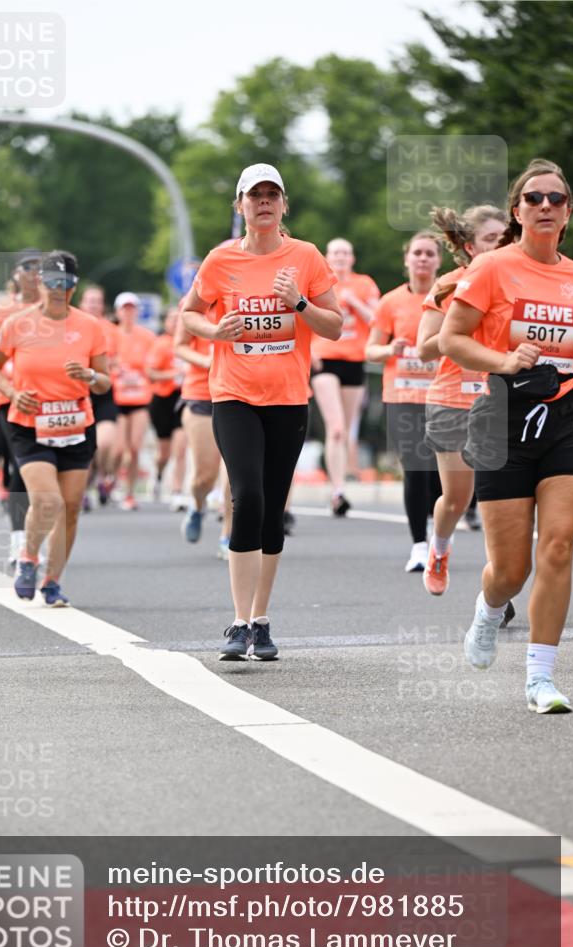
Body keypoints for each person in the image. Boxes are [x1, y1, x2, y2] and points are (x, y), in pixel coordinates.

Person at [182, 163, 342, 660]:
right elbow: (188, 313)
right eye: (255, 196)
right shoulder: (220, 260)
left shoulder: (306, 257)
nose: (265, 203)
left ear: (284, 204)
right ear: (241, 206)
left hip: (289, 400)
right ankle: (236, 622)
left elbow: (334, 326)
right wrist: (213, 332)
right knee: (246, 497)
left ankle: (261, 619)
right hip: (232, 395)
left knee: (273, 510)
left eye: (273, 195)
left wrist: (298, 304)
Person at [439, 159, 573, 713]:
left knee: (560, 542)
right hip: (501, 420)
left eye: (557, 199)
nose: (545, 206)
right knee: (511, 569)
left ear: (567, 213)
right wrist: (505, 359)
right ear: (518, 212)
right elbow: (452, 338)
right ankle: (489, 608)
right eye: (534, 199)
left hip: (567, 420)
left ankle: (541, 678)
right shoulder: (494, 268)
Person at [0, 250, 111, 607]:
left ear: (74, 285)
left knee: (70, 507)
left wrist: (89, 376)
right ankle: (28, 558)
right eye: (53, 283)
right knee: (48, 500)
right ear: (40, 283)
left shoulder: (89, 326)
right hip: (30, 423)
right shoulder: (17, 324)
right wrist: (12, 392)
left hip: (75, 423)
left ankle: (52, 581)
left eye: (67, 284)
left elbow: (104, 383)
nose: (60, 291)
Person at [417, 206, 507, 596]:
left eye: (506, 238)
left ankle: (497, 588)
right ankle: (439, 548)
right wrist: (459, 320)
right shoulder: (449, 284)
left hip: (500, 399)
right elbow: (424, 350)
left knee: (496, 498)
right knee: (457, 499)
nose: (501, 245)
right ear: (469, 246)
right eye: (491, 239)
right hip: (452, 399)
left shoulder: (517, 282)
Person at [365, 232, 443, 571]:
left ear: (439, 260)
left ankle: (439, 535)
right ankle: (419, 545)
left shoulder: (450, 297)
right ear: (407, 259)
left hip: (443, 395)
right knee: (415, 467)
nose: (423, 259)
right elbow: (369, 349)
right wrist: (389, 349)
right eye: (418, 253)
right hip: (402, 396)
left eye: (429, 253)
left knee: (441, 474)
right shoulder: (390, 302)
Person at [311, 238, 380, 515]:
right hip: (324, 359)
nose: (340, 257)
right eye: (336, 252)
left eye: (345, 252)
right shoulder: (318, 282)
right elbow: (303, 315)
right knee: (336, 427)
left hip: (354, 360)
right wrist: (307, 350)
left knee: (347, 431)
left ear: (352, 258)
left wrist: (354, 302)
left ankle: (338, 487)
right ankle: (338, 490)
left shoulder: (364, 284)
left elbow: (378, 319)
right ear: (327, 257)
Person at [0, 249, 43, 564]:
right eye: (28, 267)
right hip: (10, 400)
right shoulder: (2, 313)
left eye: (40, 268)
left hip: (49, 402)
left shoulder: (55, 309)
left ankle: (33, 537)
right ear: (16, 275)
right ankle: (19, 539)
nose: (35, 273)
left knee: (44, 470)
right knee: (23, 464)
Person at [174, 303, 232, 554]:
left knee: (234, 471)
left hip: (238, 392)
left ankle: (228, 536)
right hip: (201, 395)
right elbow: (180, 345)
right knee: (204, 477)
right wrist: (207, 361)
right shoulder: (196, 298)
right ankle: (198, 506)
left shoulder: (253, 287)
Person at [111, 292, 155, 511]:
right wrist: (115, 368)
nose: (128, 313)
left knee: (135, 447)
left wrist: (143, 372)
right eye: (124, 309)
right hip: (117, 399)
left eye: (132, 309)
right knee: (118, 449)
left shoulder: (147, 337)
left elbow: (154, 366)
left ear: (137, 311)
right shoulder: (110, 335)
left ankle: (128, 493)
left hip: (139, 397)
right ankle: (110, 477)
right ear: (117, 312)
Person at [78, 285, 119, 506]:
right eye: (89, 300)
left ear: (102, 305)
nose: (93, 304)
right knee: (84, 445)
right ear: (82, 304)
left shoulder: (111, 330)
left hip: (103, 390)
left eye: (97, 301)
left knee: (104, 443)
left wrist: (111, 365)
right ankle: (84, 488)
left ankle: (104, 475)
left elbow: (121, 359)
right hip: (80, 392)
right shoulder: (73, 326)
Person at [145, 305, 187, 509]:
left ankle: (177, 491)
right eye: (172, 319)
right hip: (162, 399)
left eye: (180, 318)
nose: (176, 322)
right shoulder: (161, 344)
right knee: (164, 452)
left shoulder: (190, 341)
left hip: (184, 398)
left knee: (180, 448)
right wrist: (174, 374)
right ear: (166, 322)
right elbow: (151, 373)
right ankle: (159, 474)